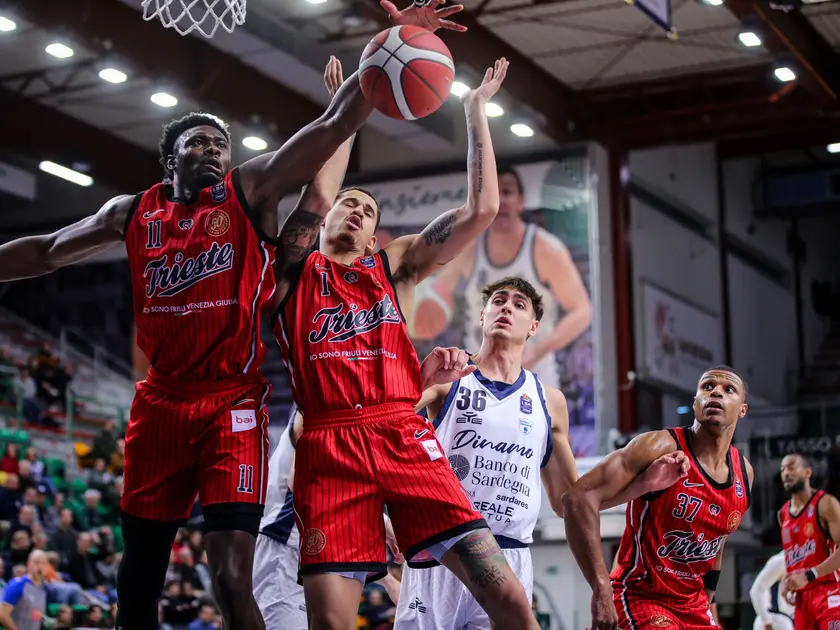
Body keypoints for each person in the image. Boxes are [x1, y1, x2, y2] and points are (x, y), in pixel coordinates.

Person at [0, 2, 450, 627]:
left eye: (221, 143)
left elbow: (332, 123)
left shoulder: (249, 190)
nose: (214, 150)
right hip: (159, 404)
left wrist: (394, 50)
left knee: (233, 578)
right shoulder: (133, 213)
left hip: (231, 405)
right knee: (138, 581)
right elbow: (48, 251)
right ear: (170, 159)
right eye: (199, 143)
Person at [273, 43, 543, 627]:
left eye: (367, 212)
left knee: (512, 599)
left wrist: (474, 111)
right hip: (328, 447)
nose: (354, 212)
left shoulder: (391, 270)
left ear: (376, 238)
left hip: (402, 434)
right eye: (348, 204)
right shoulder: (292, 272)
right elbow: (315, 196)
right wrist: (347, 110)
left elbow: (482, 209)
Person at [393, 276, 690, 630]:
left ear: (533, 327)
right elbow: (387, 418)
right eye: (499, 301)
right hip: (443, 552)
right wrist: (420, 383)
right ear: (482, 316)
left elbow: (569, 500)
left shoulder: (549, 400)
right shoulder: (449, 376)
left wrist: (639, 487)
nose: (506, 307)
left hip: (511, 554)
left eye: (519, 305)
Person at [561, 365, 754, 630]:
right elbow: (576, 499)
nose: (716, 393)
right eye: (707, 387)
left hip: (693, 604)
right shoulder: (659, 447)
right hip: (642, 596)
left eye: (728, 389)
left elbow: (717, 538)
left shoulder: (744, 473)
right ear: (695, 402)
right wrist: (601, 588)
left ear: (742, 409)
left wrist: (709, 594)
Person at [410, 167, 591, 384]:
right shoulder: (467, 246)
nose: (501, 200)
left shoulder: (546, 249)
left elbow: (582, 311)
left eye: (507, 192)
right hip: (478, 374)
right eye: (495, 193)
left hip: (532, 375)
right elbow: (437, 292)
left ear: (521, 201)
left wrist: (537, 351)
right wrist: (418, 314)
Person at [252, 405, 402, 630]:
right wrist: (384, 523)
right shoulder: (316, 404)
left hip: (318, 553)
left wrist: (388, 580)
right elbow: (307, 482)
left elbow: (339, 501)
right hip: (285, 546)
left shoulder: (355, 415)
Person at [778, 453, 840, 630]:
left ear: (807, 472)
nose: (786, 473)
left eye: (791, 467)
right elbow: (795, 558)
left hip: (829, 591)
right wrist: (787, 581)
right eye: (782, 469)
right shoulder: (783, 514)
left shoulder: (826, 503)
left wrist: (809, 575)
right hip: (802, 599)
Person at [0, 549, 48, 630]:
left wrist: (46, 621)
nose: (40, 566)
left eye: (43, 563)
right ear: (28, 564)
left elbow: (37, 615)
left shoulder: (44, 588)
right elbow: (2, 614)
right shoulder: (17, 584)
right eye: (36, 562)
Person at [749, 550, 794, 630]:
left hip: (780, 619)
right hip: (775, 618)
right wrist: (767, 622)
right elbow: (755, 591)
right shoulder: (781, 560)